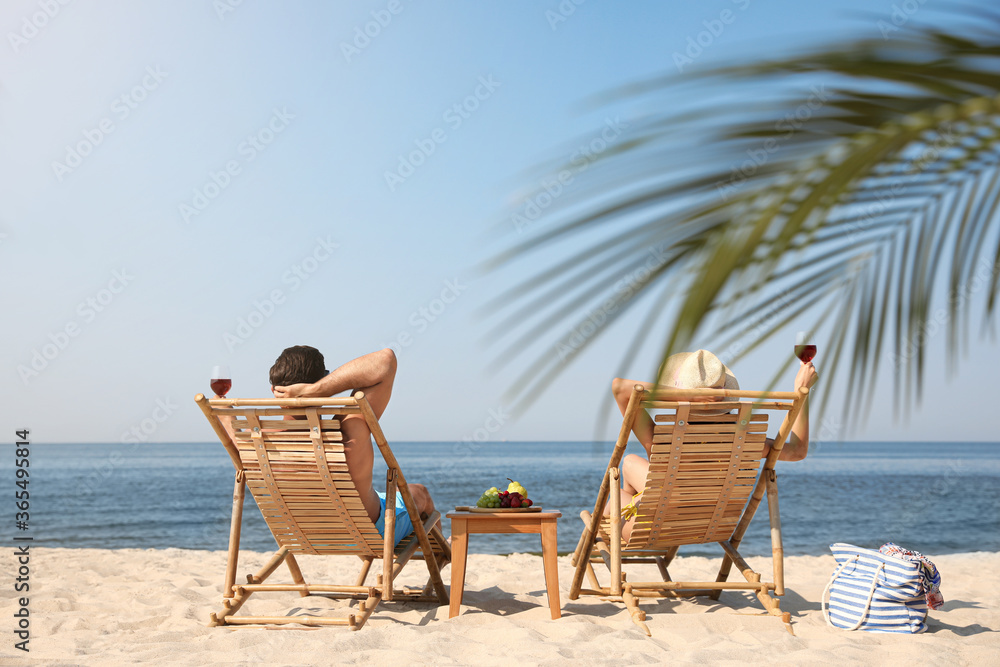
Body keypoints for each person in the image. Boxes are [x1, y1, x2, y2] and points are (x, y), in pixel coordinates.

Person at [220, 346, 434, 547]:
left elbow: (227, 421)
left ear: (274, 390)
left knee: (386, 495)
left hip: (303, 536)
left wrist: (225, 412)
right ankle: (442, 555)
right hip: (368, 534)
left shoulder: (254, 444)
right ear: (323, 382)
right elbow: (386, 360)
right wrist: (317, 389)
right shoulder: (350, 432)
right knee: (419, 492)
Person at [607, 349, 818, 540]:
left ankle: (621, 518)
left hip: (648, 531)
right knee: (630, 462)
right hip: (705, 530)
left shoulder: (661, 441)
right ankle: (637, 503)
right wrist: (802, 393)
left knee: (615, 497)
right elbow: (797, 452)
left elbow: (620, 388)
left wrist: (691, 397)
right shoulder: (743, 444)